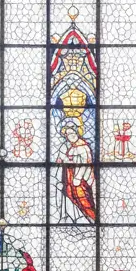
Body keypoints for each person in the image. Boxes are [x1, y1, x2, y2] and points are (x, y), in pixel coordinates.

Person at [55, 91, 96, 223]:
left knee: (82, 197)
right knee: (71, 195)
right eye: (67, 134)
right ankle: (77, 217)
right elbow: (65, 158)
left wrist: (78, 177)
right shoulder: (70, 146)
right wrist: (63, 160)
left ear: (77, 132)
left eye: (72, 132)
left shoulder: (83, 146)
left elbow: (85, 162)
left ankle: (91, 217)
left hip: (80, 178)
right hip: (70, 176)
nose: (70, 135)